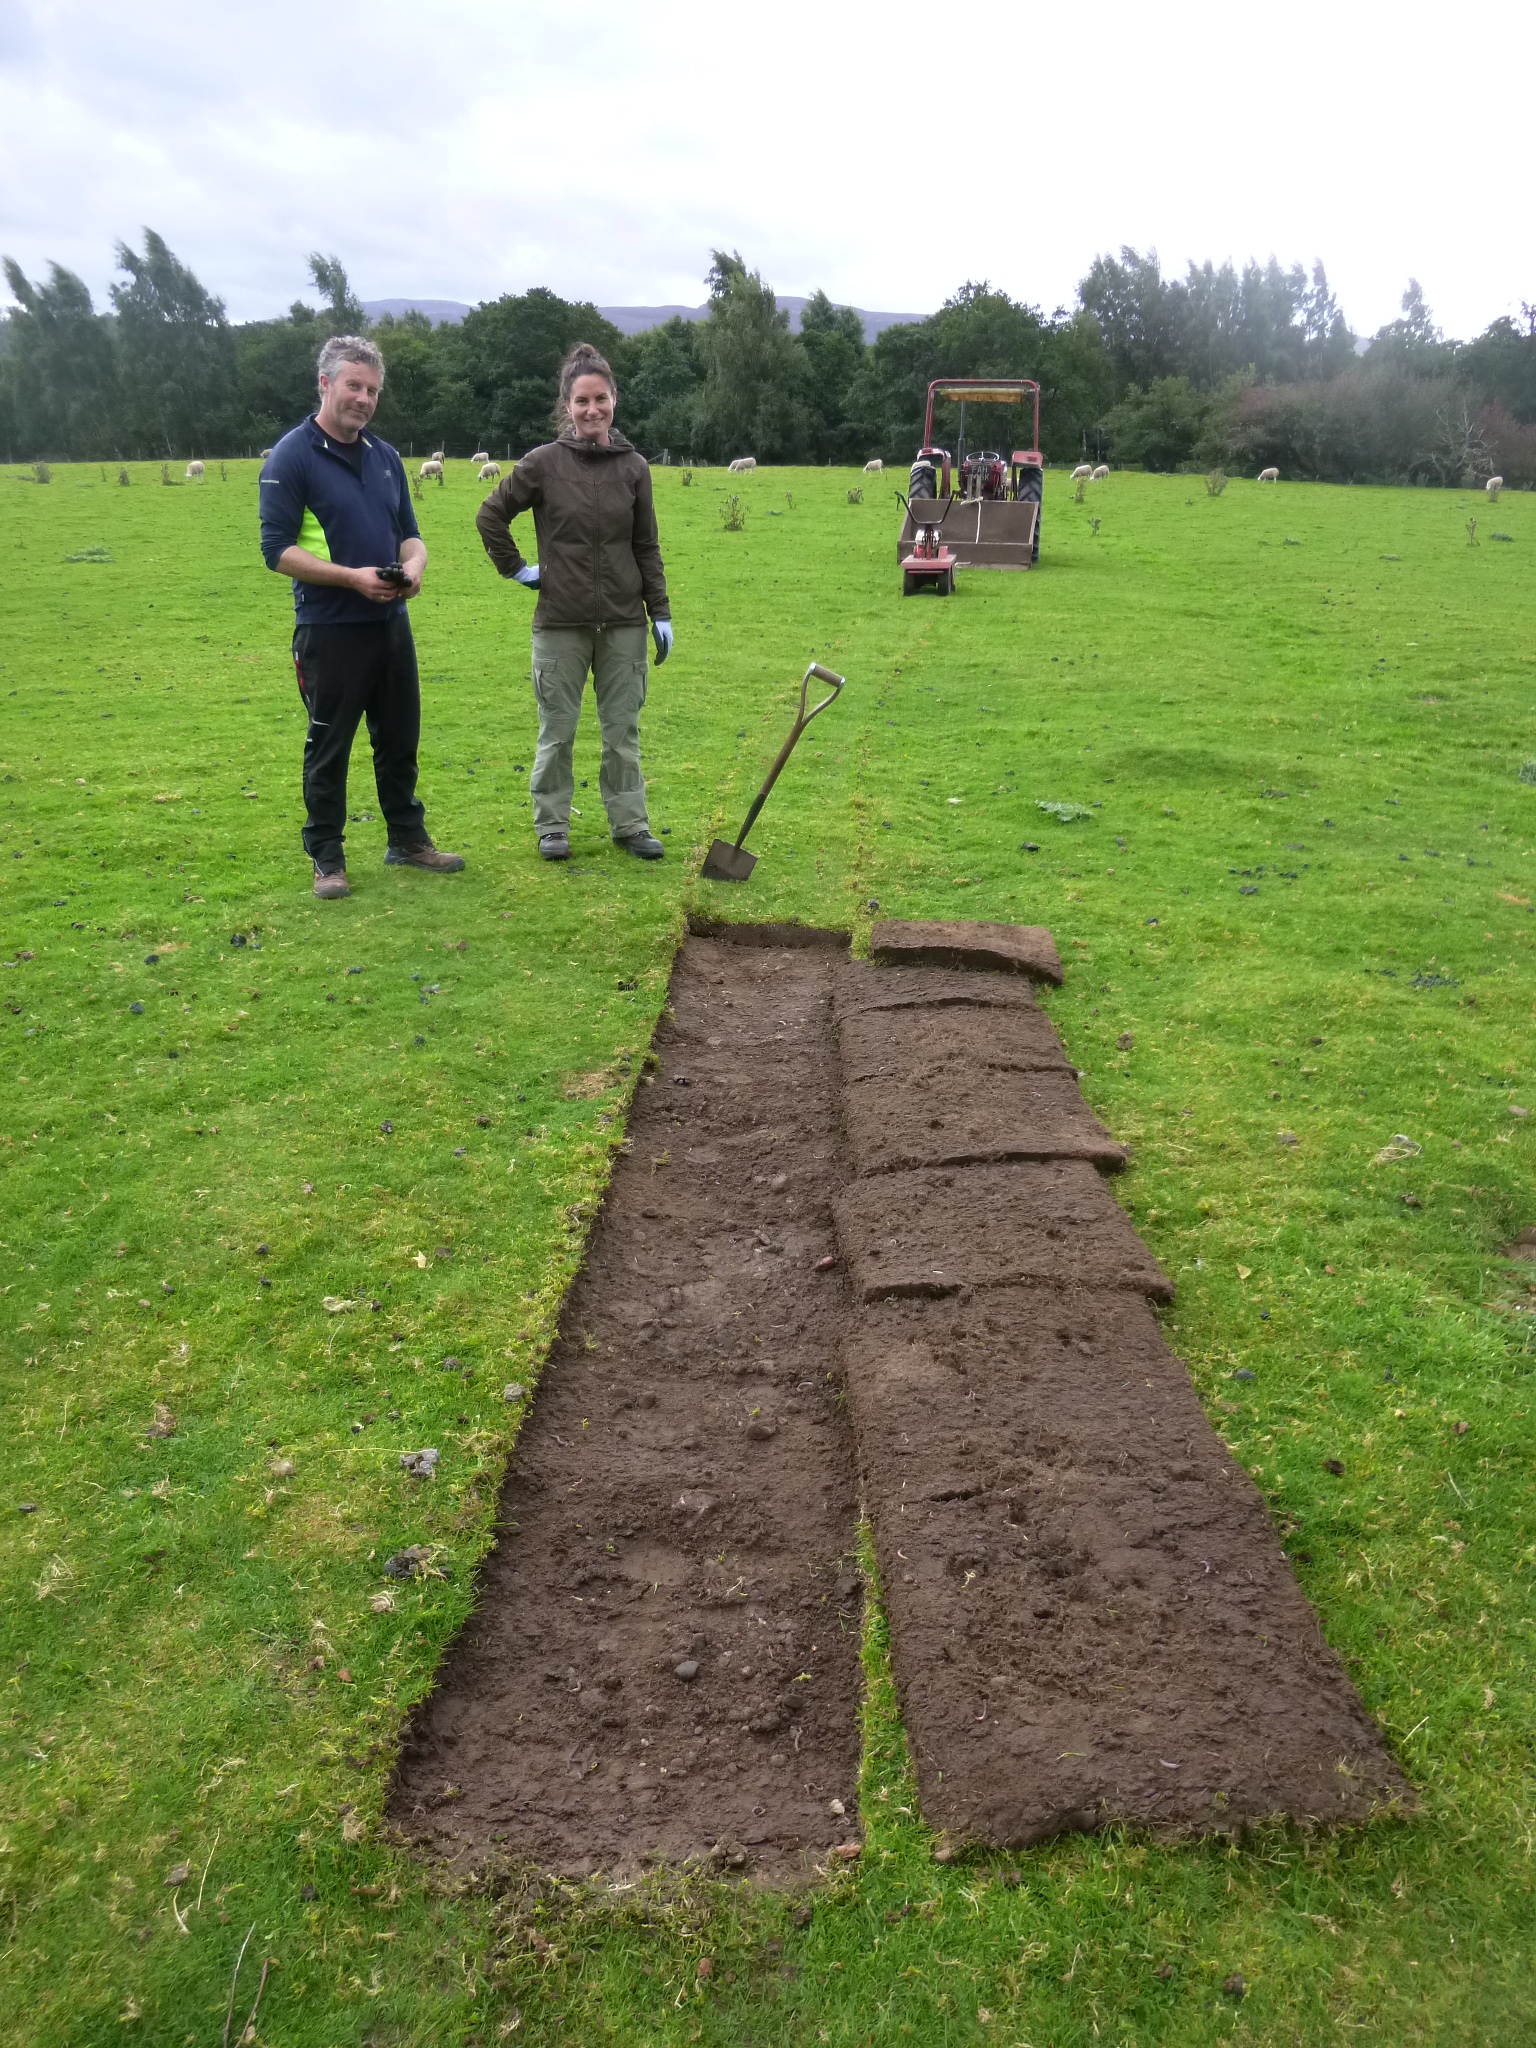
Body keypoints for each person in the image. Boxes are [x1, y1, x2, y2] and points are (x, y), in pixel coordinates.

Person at [259, 334, 464, 900]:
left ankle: (407, 839)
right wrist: (352, 579)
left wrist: (415, 566)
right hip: (328, 629)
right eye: (354, 385)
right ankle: (326, 857)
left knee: (399, 739)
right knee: (330, 745)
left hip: (390, 627)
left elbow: (409, 534)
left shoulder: (386, 457)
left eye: (372, 389)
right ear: (325, 384)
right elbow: (276, 550)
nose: (364, 398)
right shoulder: (291, 456)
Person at [475, 342, 672, 862]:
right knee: (557, 732)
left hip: (625, 623)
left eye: (601, 399)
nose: (592, 410)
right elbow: (490, 515)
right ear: (567, 405)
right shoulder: (542, 464)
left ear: (614, 402)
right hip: (559, 623)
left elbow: (646, 546)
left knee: (621, 734)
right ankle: (551, 827)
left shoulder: (634, 468)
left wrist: (662, 613)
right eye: (581, 401)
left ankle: (630, 825)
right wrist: (516, 568)